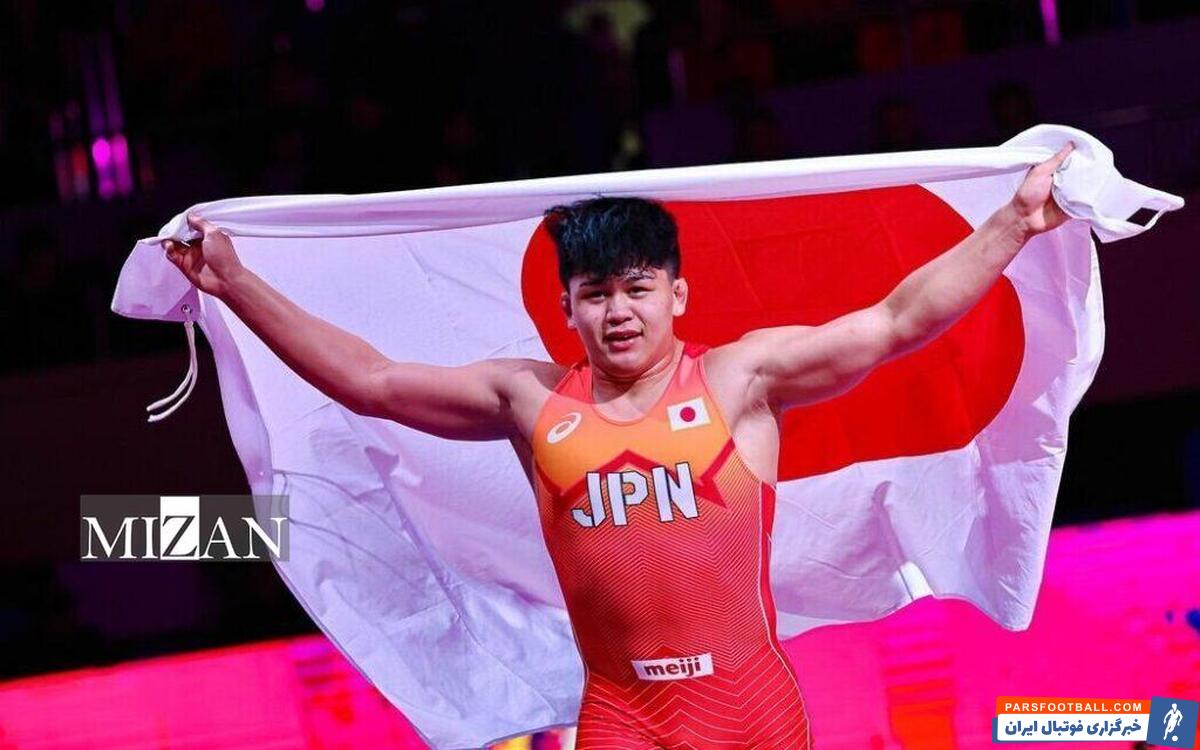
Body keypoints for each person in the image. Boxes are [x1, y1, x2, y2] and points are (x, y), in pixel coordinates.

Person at [162, 141, 1075, 749]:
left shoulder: (739, 380)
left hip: (750, 714)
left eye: (637, 289)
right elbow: (372, 381)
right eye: (596, 294)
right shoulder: (527, 398)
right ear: (567, 308)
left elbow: (896, 320)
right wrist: (235, 285)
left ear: (677, 295)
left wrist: (1014, 222)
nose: (619, 312)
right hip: (622, 720)